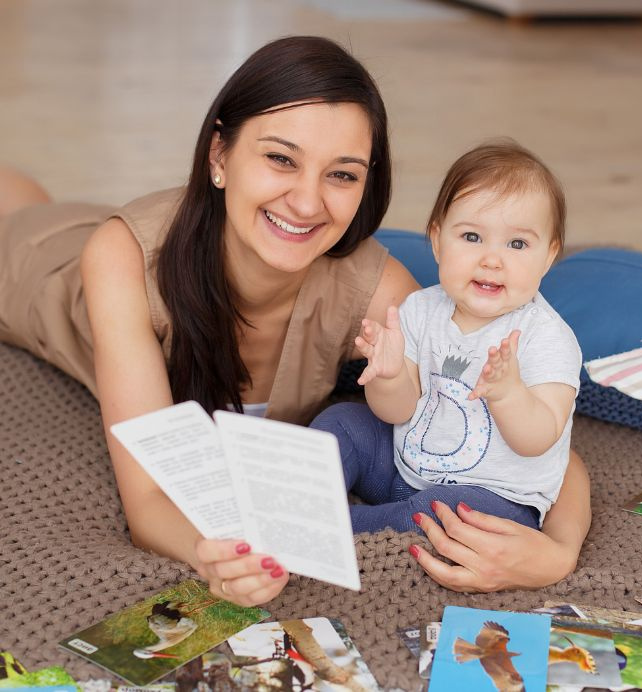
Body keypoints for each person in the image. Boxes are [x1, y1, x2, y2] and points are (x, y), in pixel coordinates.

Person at [0, 35, 590, 607]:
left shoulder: (380, 293)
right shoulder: (123, 260)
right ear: (219, 155)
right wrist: (212, 552)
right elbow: (149, 496)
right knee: (21, 217)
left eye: (342, 174)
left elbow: (538, 447)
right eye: (281, 158)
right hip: (43, 271)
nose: (307, 203)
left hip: (139, 231)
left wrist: (557, 553)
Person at [311, 141, 581, 535]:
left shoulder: (546, 337)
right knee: (345, 421)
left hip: (493, 499)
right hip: (404, 469)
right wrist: (388, 377)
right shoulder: (420, 309)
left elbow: (538, 439)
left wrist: (509, 394)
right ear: (438, 241)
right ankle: (303, 494)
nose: (492, 259)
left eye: (517, 244)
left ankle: (336, 528)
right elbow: (397, 412)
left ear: (549, 256)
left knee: (443, 516)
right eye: (472, 237)